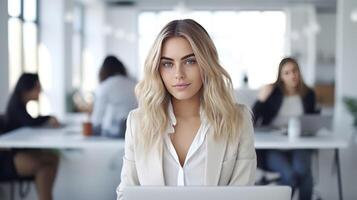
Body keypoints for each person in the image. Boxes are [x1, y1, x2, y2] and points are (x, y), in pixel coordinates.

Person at [116, 19, 256, 200]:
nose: (178, 74)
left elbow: (243, 195)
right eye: (167, 64)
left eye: (190, 61)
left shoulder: (238, 119)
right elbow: (126, 194)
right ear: (157, 69)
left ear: (206, 63)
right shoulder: (138, 122)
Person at [252, 57, 317, 200]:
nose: (292, 75)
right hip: (274, 146)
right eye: (287, 73)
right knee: (292, 175)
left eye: (294, 71)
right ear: (280, 77)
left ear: (299, 72)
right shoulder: (273, 93)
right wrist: (260, 99)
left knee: (302, 170)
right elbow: (252, 120)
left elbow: (312, 122)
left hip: (299, 144)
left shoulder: (309, 94)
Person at [1, 73, 59, 200]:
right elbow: (30, 122)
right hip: (7, 157)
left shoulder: (19, 103)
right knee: (48, 164)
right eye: (38, 87)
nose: (40, 91)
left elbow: (30, 121)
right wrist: (49, 117)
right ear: (27, 88)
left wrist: (48, 118)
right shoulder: (15, 104)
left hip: (16, 152)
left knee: (52, 160)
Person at [91, 55, 137, 137]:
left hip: (115, 132)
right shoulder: (134, 83)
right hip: (135, 129)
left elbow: (97, 117)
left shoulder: (105, 86)